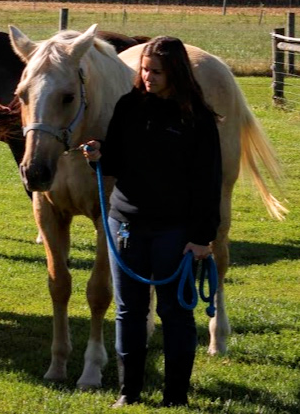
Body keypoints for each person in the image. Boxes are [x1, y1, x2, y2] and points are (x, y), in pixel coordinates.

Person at [80, 36, 221, 408]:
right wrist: (99, 153)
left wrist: (202, 238)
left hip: (175, 231)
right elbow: (114, 163)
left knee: (174, 312)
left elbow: (209, 181)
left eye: (156, 71)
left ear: (174, 72)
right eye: (144, 70)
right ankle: (129, 391)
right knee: (129, 311)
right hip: (124, 224)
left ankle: (175, 396)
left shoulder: (198, 118)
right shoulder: (129, 106)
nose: (147, 77)